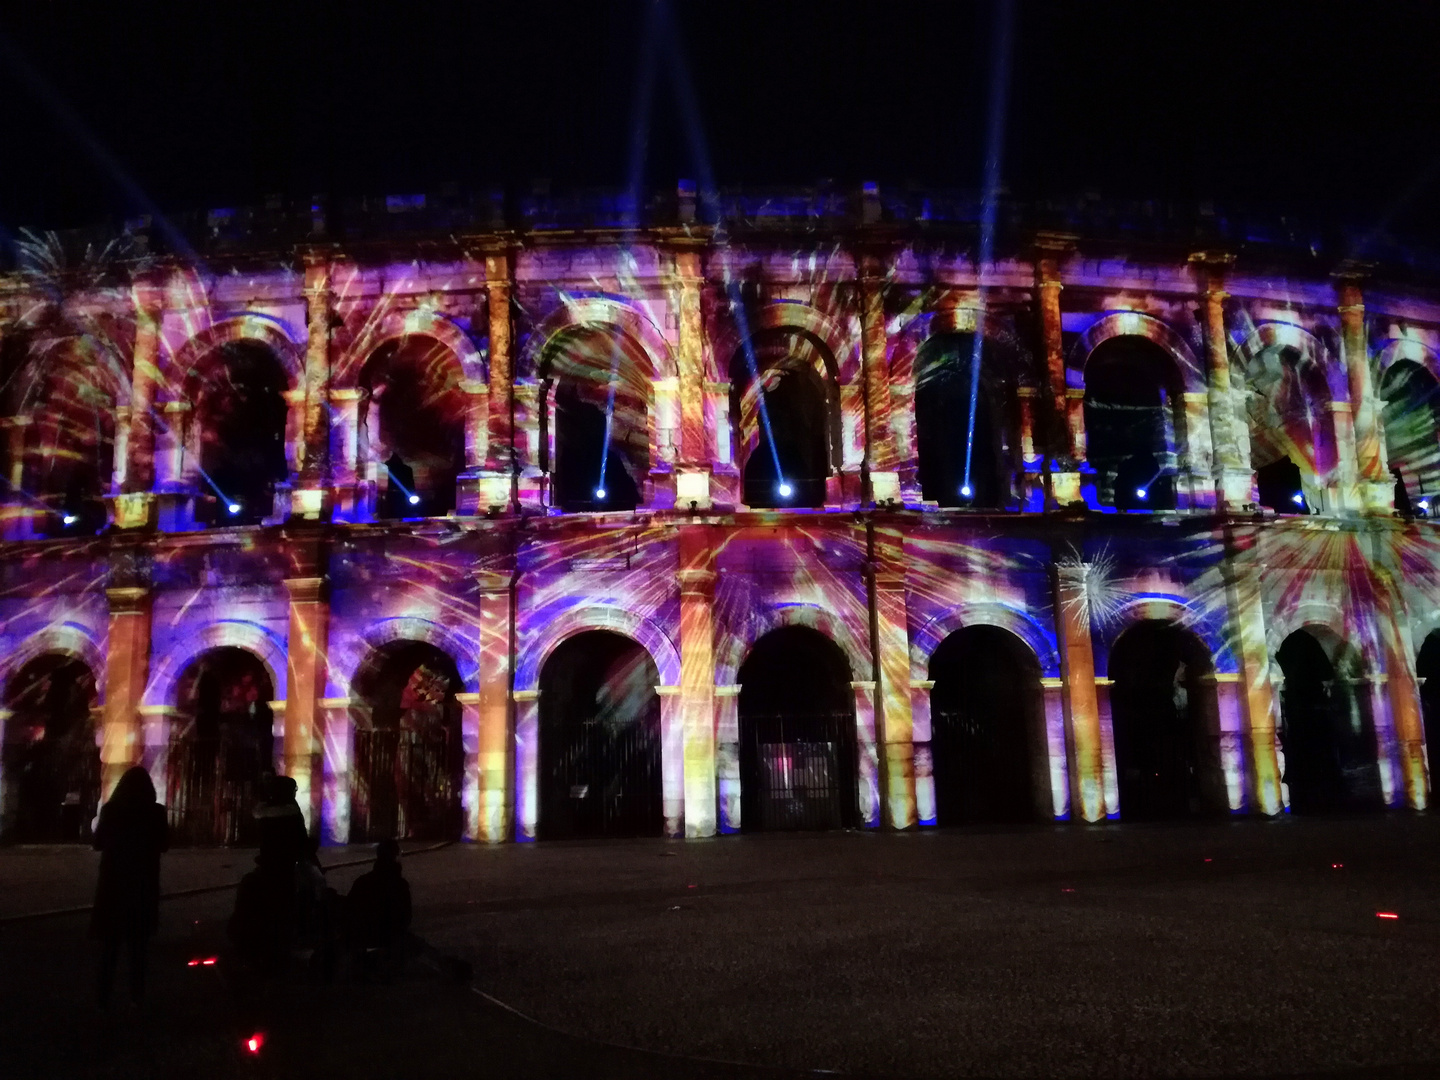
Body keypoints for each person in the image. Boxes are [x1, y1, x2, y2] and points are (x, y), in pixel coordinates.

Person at [91, 765, 169, 1007]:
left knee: (110, 947)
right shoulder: (156, 812)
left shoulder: (112, 809)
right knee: (138, 948)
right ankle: (137, 995)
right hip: (142, 884)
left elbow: (98, 843)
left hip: (114, 883)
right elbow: (164, 844)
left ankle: (104, 996)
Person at [346, 840, 412, 979]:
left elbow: (350, 909)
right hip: (388, 938)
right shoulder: (399, 885)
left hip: (363, 936)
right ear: (395, 856)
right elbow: (405, 917)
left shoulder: (362, 881)